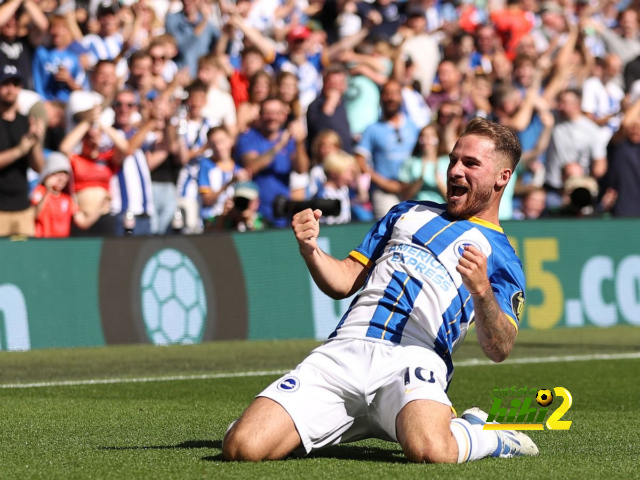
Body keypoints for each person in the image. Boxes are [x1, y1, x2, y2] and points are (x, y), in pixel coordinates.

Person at [223, 117, 538, 462]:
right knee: (243, 448)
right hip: (346, 350)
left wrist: (481, 292)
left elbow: (500, 347)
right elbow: (344, 280)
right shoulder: (405, 212)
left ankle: (488, 435)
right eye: (452, 160)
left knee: (431, 451)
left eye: (470, 163)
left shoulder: (504, 257)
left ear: (502, 177)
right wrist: (311, 249)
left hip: (415, 357)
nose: (454, 170)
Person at [236, 96, 309, 228]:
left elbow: (301, 169)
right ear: (260, 115)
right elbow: (251, 166)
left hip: (282, 214)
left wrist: (299, 143)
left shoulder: (290, 140)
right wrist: (279, 145)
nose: (272, 117)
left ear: (284, 116)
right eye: (268, 113)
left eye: (277, 113)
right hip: (255, 215)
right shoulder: (249, 137)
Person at [355, 79, 420, 219]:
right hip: (384, 193)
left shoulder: (413, 126)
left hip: (412, 190)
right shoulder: (372, 129)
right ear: (381, 97)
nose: (391, 98)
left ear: (401, 97)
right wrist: (383, 182)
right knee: (388, 233)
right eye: (387, 93)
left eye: (395, 93)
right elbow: (360, 160)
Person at [0, 67, 44, 236]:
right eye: (5, 84)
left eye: (15, 84)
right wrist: (19, 151)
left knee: (25, 261)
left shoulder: (26, 122)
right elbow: (19, 151)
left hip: (23, 208)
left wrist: (35, 143)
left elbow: (39, 167)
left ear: (20, 88)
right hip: (0, 210)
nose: (10, 89)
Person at [31, 151, 105, 237]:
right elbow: (34, 214)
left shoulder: (68, 198)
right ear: (48, 174)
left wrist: (100, 209)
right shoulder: (40, 192)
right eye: (57, 174)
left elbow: (83, 222)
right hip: (42, 244)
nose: (62, 178)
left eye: (65, 174)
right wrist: (48, 190)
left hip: (62, 246)